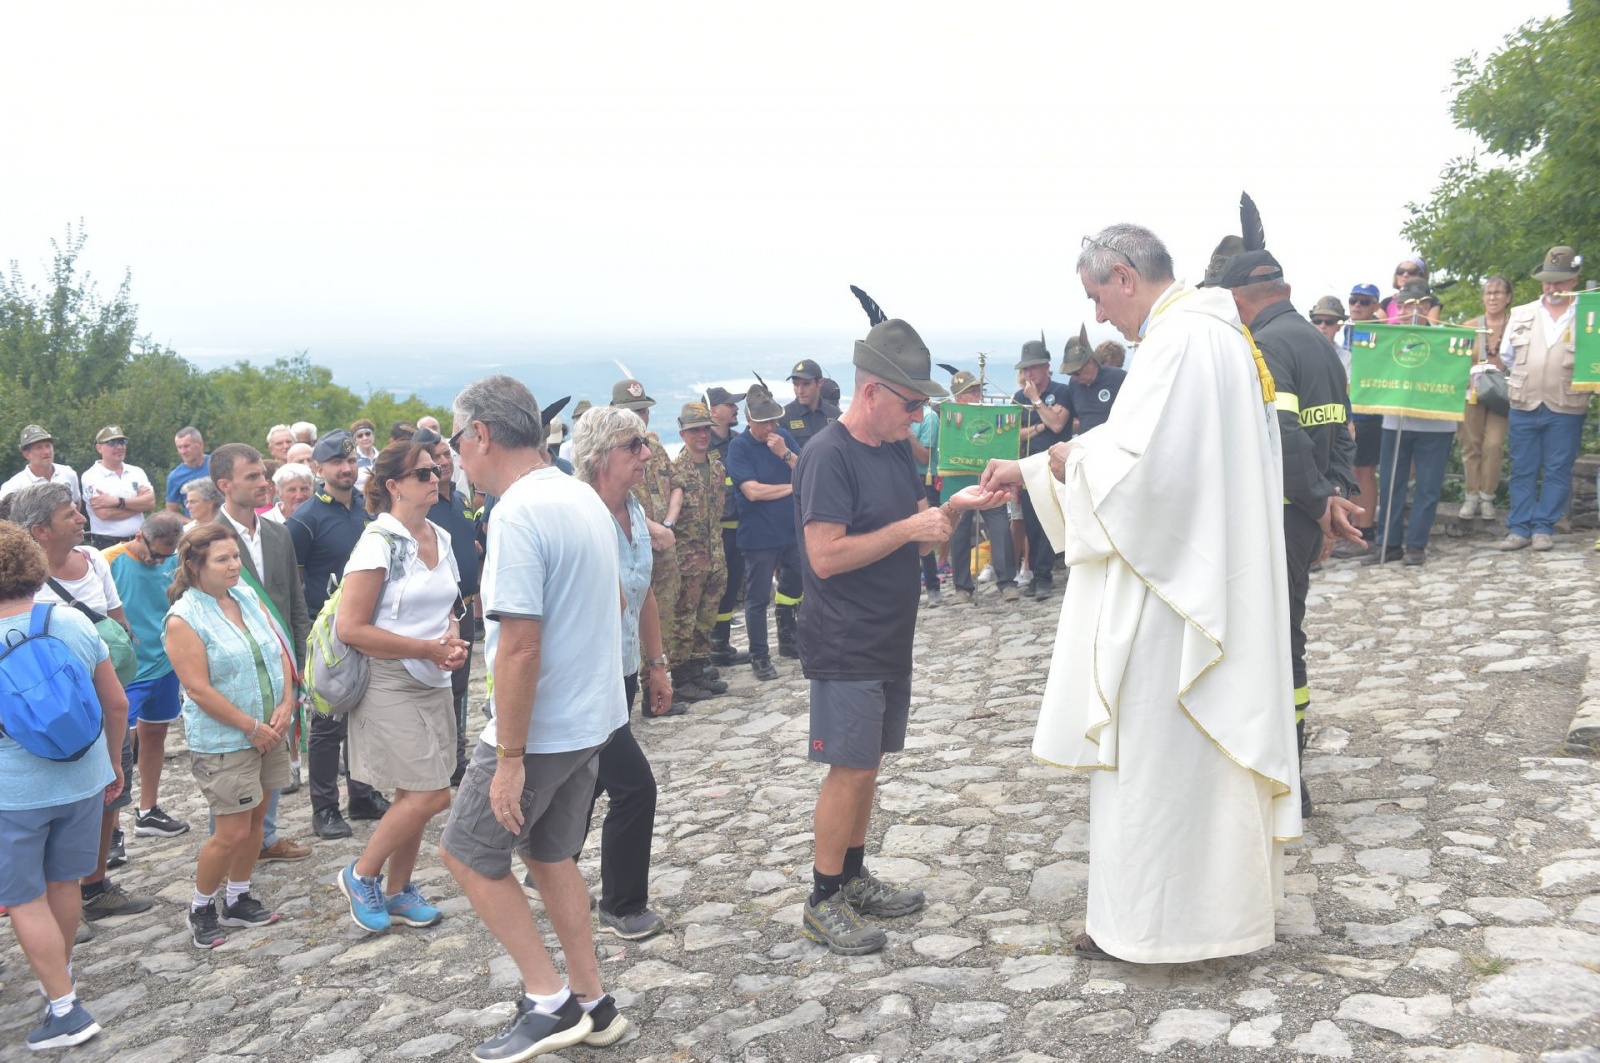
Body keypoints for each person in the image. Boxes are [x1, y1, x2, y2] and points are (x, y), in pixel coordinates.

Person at [981, 223, 1301, 964]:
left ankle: (1160, 928)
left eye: (1097, 296)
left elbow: (1141, 477)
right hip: (1196, 573)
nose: (1098, 317)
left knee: (1156, 761)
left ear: (1124, 275)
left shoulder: (1180, 342)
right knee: (1185, 764)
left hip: (1170, 593)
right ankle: (1202, 917)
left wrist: (1059, 458)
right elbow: (1148, 456)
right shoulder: (1212, 334)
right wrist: (1034, 468)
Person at [793, 318, 1005, 954]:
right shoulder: (828, 455)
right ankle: (822, 897)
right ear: (872, 393)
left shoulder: (888, 449)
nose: (917, 418)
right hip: (845, 637)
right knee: (849, 767)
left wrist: (956, 509)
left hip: (888, 632)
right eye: (911, 405)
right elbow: (824, 556)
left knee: (868, 764)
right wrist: (910, 535)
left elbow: (916, 517)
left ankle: (852, 877)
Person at [439, 375, 629, 1059]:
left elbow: (517, 644)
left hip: (540, 729)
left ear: (482, 434)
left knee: (466, 852)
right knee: (550, 855)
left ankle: (547, 1000)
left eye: (458, 442)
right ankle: (593, 1000)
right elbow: (614, 603)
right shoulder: (579, 495)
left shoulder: (517, 512)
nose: (458, 458)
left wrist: (509, 757)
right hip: (591, 719)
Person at [1220, 251, 1362, 816]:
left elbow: (1283, 437)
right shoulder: (1320, 342)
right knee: (1288, 636)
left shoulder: (1265, 346)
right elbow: (1343, 429)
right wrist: (1335, 496)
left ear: (1236, 298)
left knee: (1274, 645)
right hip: (1303, 516)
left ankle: (1287, 781)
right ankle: (1290, 777)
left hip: (1277, 517)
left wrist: (1318, 502)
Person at [0, 521, 128, 1051]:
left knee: (23, 898)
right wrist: (114, 766)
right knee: (64, 885)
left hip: (14, 792)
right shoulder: (72, 620)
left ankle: (66, 1009)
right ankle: (61, 976)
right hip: (83, 777)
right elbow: (116, 703)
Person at [332, 441, 469, 934]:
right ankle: (361, 874)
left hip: (432, 674)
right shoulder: (377, 544)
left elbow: (448, 607)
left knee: (416, 791)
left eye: (436, 470)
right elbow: (351, 628)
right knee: (434, 794)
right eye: (422, 474)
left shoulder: (441, 535)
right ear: (393, 486)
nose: (435, 478)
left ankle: (397, 890)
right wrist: (427, 649)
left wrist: (450, 639)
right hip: (389, 677)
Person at [13, 483, 153, 922]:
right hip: (44, 716)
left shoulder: (94, 561)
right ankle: (58, 901)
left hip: (105, 704)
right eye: (69, 514)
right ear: (39, 530)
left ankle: (95, 888)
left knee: (110, 797)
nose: (81, 519)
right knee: (52, 808)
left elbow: (118, 622)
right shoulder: (18, 585)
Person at [164, 524, 296, 949]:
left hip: (269, 729)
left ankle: (238, 898)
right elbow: (198, 689)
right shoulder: (185, 617)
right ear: (195, 566)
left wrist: (287, 703)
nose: (234, 565)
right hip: (228, 741)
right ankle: (200, 907)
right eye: (223, 559)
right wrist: (250, 727)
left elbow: (278, 650)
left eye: (236, 556)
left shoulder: (246, 597)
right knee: (231, 831)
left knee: (258, 820)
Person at [573, 404, 672, 939]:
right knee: (634, 788)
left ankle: (550, 866)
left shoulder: (634, 509)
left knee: (584, 784)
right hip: (584, 676)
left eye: (646, 443)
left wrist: (656, 666)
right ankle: (623, 903)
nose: (645, 453)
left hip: (624, 668)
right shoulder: (577, 512)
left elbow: (644, 591)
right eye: (632, 445)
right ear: (598, 456)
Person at [211, 443, 313, 863]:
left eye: (262, 474)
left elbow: (294, 602)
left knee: (273, 752)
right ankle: (229, 843)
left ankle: (265, 837)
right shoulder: (206, 538)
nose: (263, 482)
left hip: (278, 663)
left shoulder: (277, 532)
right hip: (235, 669)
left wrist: (301, 660)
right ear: (224, 485)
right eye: (251, 476)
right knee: (235, 760)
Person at [288, 430, 389, 839]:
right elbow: (295, 584)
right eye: (336, 463)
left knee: (366, 716)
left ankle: (362, 794)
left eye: (350, 462)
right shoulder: (304, 520)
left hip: (371, 627)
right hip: (327, 633)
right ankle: (325, 807)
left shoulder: (371, 512)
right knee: (327, 724)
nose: (346, 469)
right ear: (319, 469)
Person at [102, 512, 192, 844]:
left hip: (165, 662)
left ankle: (148, 810)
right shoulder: (109, 560)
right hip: (126, 669)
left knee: (155, 735)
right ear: (139, 536)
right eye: (155, 554)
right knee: (118, 747)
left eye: (167, 555)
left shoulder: (173, 560)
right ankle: (109, 831)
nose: (159, 562)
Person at [1500, 247, 1587, 552]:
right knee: (1522, 468)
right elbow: (1507, 356)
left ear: (1574, 280)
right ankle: (1519, 527)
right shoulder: (1521, 313)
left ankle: (1543, 527)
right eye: (1548, 282)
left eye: (1559, 282)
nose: (1553, 288)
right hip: (1524, 402)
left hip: (1567, 404)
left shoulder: (1590, 315)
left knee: (1557, 468)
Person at [1366, 280, 1455, 566]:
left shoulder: (1445, 337)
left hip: (1436, 423)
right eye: (1400, 305)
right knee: (1391, 485)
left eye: (1410, 305)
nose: (1403, 311)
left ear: (1426, 307)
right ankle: (1387, 543)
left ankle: (1416, 544)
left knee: (1428, 487)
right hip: (1396, 421)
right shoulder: (1390, 336)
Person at [609, 380, 683, 697]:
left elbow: (676, 484)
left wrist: (666, 524)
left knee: (660, 613)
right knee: (628, 618)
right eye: (632, 410)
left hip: (658, 549)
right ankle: (641, 687)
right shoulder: (612, 454)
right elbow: (614, 499)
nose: (640, 416)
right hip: (633, 546)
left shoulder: (653, 447)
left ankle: (657, 677)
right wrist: (653, 529)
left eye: (643, 410)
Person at [419, 428, 482, 786]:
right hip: (438, 612)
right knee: (438, 686)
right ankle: (440, 758)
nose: (443, 462)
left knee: (460, 688)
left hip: (465, 606)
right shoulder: (423, 506)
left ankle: (456, 756)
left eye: (447, 455)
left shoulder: (460, 499)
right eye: (435, 458)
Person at [727, 384, 802, 681]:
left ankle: (787, 634)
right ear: (749, 421)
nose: (770, 427)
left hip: (790, 529)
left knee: (798, 579)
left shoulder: (783, 438)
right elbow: (752, 491)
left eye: (773, 421)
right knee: (758, 598)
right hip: (759, 536)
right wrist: (793, 488)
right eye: (763, 422)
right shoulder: (739, 447)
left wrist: (785, 455)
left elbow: (808, 468)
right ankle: (760, 655)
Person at [667, 403, 730, 699]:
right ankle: (680, 680)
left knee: (706, 619)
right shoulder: (675, 472)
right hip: (687, 561)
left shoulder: (717, 468)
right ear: (682, 434)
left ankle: (698, 671)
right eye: (694, 430)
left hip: (715, 558)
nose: (702, 435)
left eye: (705, 428)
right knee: (684, 620)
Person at [943, 369, 1019, 604]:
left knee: (1000, 529)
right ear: (959, 398)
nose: (977, 395)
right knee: (959, 533)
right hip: (960, 477)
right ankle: (962, 587)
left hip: (989, 479)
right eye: (971, 392)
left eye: (977, 390)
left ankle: (1007, 583)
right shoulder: (950, 416)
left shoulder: (989, 415)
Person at [1013, 337, 1072, 599]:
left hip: (1054, 464)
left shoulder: (1062, 391)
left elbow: (1058, 426)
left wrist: (1037, 401)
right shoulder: (1017, 397)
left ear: (1046, 366)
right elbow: (1015, 435)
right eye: (1025, 369)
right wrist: (1040, 425)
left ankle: (1045, 577)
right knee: (1032, 523)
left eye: (1033, 368)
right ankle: (1038, 575)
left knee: (1049, 520)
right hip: (1028, 466)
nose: (1028, 374)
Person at [1335, 283, 1386, 556]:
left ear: (1376, 306)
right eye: (1353, 300)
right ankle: (1355, 527)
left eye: (1365, 302)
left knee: (1364, 471)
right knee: (1351, 470)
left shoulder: (1383, 331)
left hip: (1369, 409)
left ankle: (1365, 530)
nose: (1357, 305)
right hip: (1350, 408)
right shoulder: (1349, 330)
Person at [1460, 275, 1513, 520]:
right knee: (1471, 445)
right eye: (1488, 293)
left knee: (1493, 444)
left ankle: (1487, 496)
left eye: (1498, 293)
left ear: (1508, 297)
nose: (1492, 297)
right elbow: (1456, 360)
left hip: (1503, 393)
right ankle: (1471, 496)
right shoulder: (1470, 326)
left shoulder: (1516, 324)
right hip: (1472, 392)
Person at [704, 387, 749, 666]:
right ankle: (707, 648)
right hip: (715, 532)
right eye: (729, 404)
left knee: (731, 588)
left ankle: (721, 644)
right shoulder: (700, 445)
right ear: (713, 412)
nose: (735, 408)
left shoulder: (738, 442)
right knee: (713, 590)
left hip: (740, 527)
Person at [80, 426, 155, 550]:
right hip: (108, 544)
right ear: (99, 448)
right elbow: (104, 513)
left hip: (139, 541)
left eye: (122, 442)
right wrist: (138, 506)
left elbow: (150, 503)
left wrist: (116, 501)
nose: (119, 447)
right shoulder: (91, 476)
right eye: (112, 443)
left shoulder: (136, 472)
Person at [907, 391, 943, 607]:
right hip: (902, 477)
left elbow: (924, 457)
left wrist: (909, 437)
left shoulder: (929, 417)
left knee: (925, 532)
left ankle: (932, 586)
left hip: (923, 478)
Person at [1061, 325, 1128, 435]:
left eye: (1076, 372)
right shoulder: (1074, 384)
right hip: (1084, 443)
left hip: (1113, 440)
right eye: (1069, 374)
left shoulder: (1118, 378)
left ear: (1091, 363)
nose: (1073, 377)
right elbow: (1075, 418)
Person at [1, 425, 82, 503]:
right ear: (26, 454)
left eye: (48, 446)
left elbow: (76, 502)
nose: (46, 452)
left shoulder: (68, 473)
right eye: (39, 447)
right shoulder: (14, 486)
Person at [782, 358, 842, 452]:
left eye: (806, 384)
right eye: (796, 385)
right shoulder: (784, 417)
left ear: (820, 383)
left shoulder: (835, 415)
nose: (800, 391)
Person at [1383, 257, 1442, 325]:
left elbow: (1431, 327)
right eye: (1400, 271)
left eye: (1412, 272)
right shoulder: (1386, 302)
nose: (1405, 275)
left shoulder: (1432, 300)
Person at [166, 427, 210, 515]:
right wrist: (192, 524)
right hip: (197, 526)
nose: (183, 451)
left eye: (186, 446)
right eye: (179, 447)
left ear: (201, 445)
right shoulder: (175, 477)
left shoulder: (217, 464)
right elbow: (170, 511)